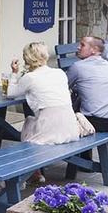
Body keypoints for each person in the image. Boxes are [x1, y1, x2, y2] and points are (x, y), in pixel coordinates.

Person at [8, 42, 81, 183]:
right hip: (70, 127)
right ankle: (35, 172)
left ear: (27, 58)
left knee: (28, 123)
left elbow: (11, 93)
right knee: (31, 121)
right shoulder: (60, 73)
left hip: (49, 130)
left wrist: (14, 73)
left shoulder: (30, 77)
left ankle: (32, 172)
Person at [66, 36, 108, 132]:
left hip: (96, 121)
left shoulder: (78, 67)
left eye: (82, 45)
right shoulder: (107, 65)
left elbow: (62, 87)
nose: (78, 47)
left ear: (94, 50)